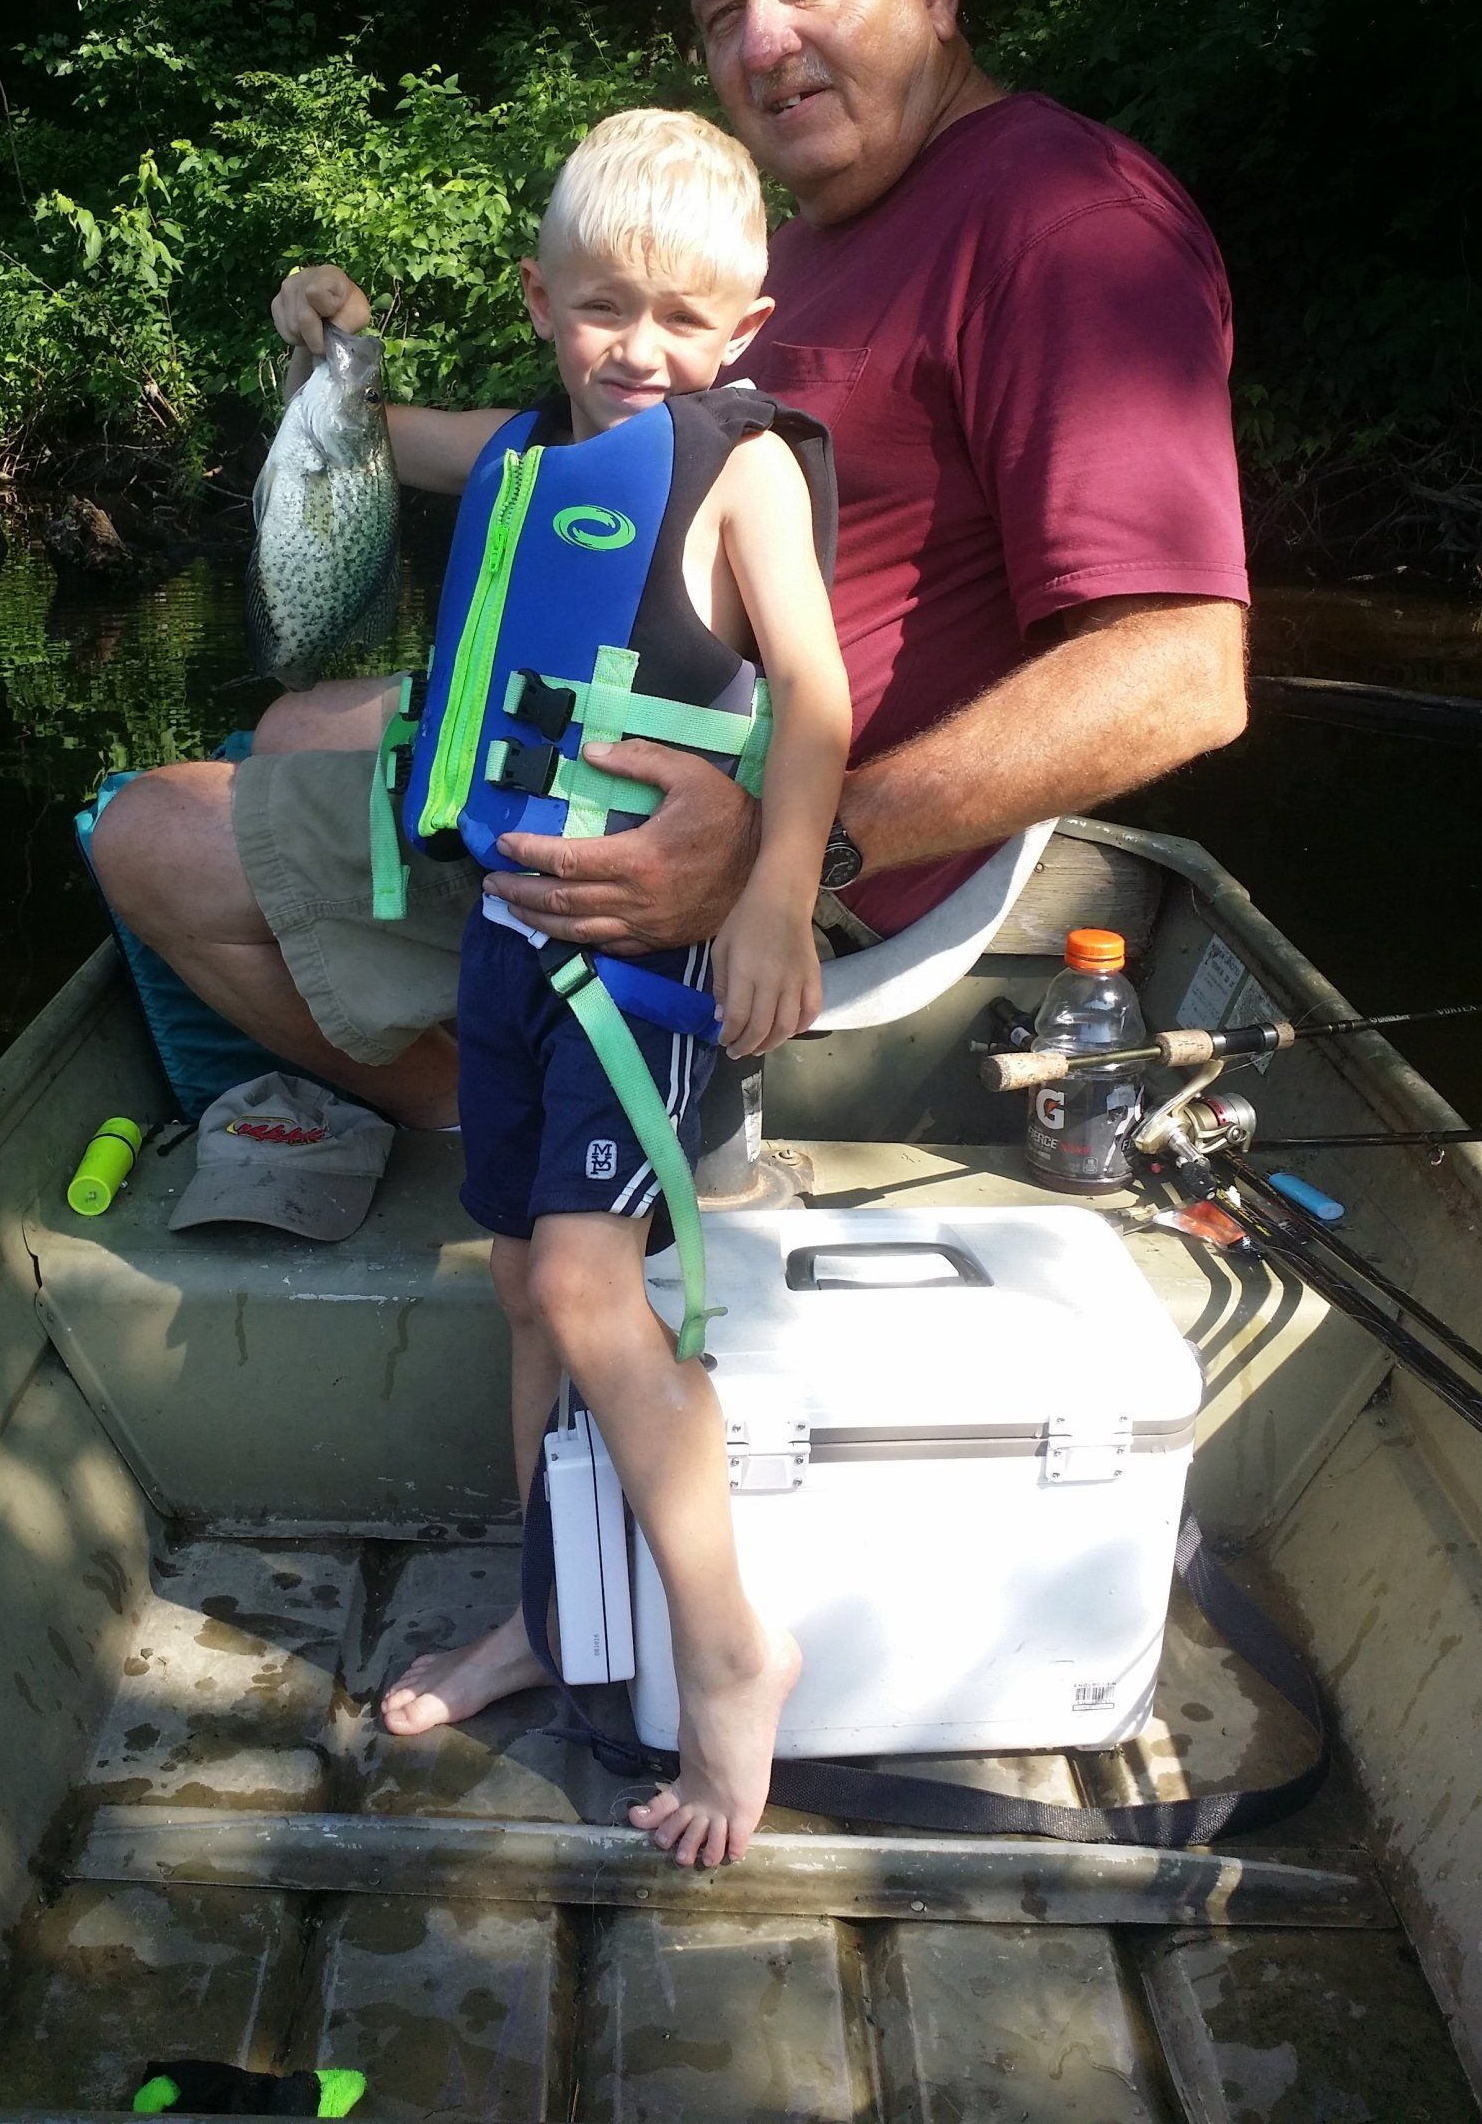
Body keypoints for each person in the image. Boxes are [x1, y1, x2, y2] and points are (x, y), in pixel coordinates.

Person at [89, 0, 1249, 1758]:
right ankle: (590, 1153)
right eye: (726, 9)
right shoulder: (797, 244)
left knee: (146, 829)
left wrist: (798, 851)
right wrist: (355, 392)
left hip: (790, 848)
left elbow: (1186, 670)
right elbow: (579, 437)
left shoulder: (1064, 223)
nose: (769, 38)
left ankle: (600, 1148)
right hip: (657, 761)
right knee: (302, 736)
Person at [370, 107, 849, 1867]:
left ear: (743, 327)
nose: (638, 348)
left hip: (640, 976)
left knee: (586, 1295)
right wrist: (320, 340)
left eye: (679, 315)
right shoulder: (514, 452)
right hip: (511, 943)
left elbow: (814, 696)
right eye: (600, 308)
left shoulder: (744, 468)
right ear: (540, 299)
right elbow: (373, 433)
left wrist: (778, 898)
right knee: (518, 1285)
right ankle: (557, 1619)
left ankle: (731, 1653)